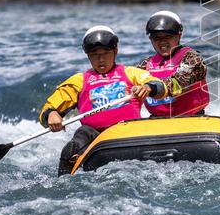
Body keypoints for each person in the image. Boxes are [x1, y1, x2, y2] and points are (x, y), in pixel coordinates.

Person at [41, 26, 167, 176]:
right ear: (88, 56)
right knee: (71, 148)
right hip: (93, 134)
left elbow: (160, 86)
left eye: (106, 53)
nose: (101, 59)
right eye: (95, 54)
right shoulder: (78, 81)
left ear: (115, 52)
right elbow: (49, 108)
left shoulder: (131, 73)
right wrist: (51, 115)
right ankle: (62, 185)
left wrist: (148, 87)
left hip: (130, 130)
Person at [135, 10, 210, 117]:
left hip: (191, 119)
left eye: (167, 37)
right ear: (150, 39)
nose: (162, 42)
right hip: (157, 121)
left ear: (178, 36)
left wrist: (150, 88)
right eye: (157, 38)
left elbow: (177, 84)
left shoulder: (193, 59)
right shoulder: (143, 65)